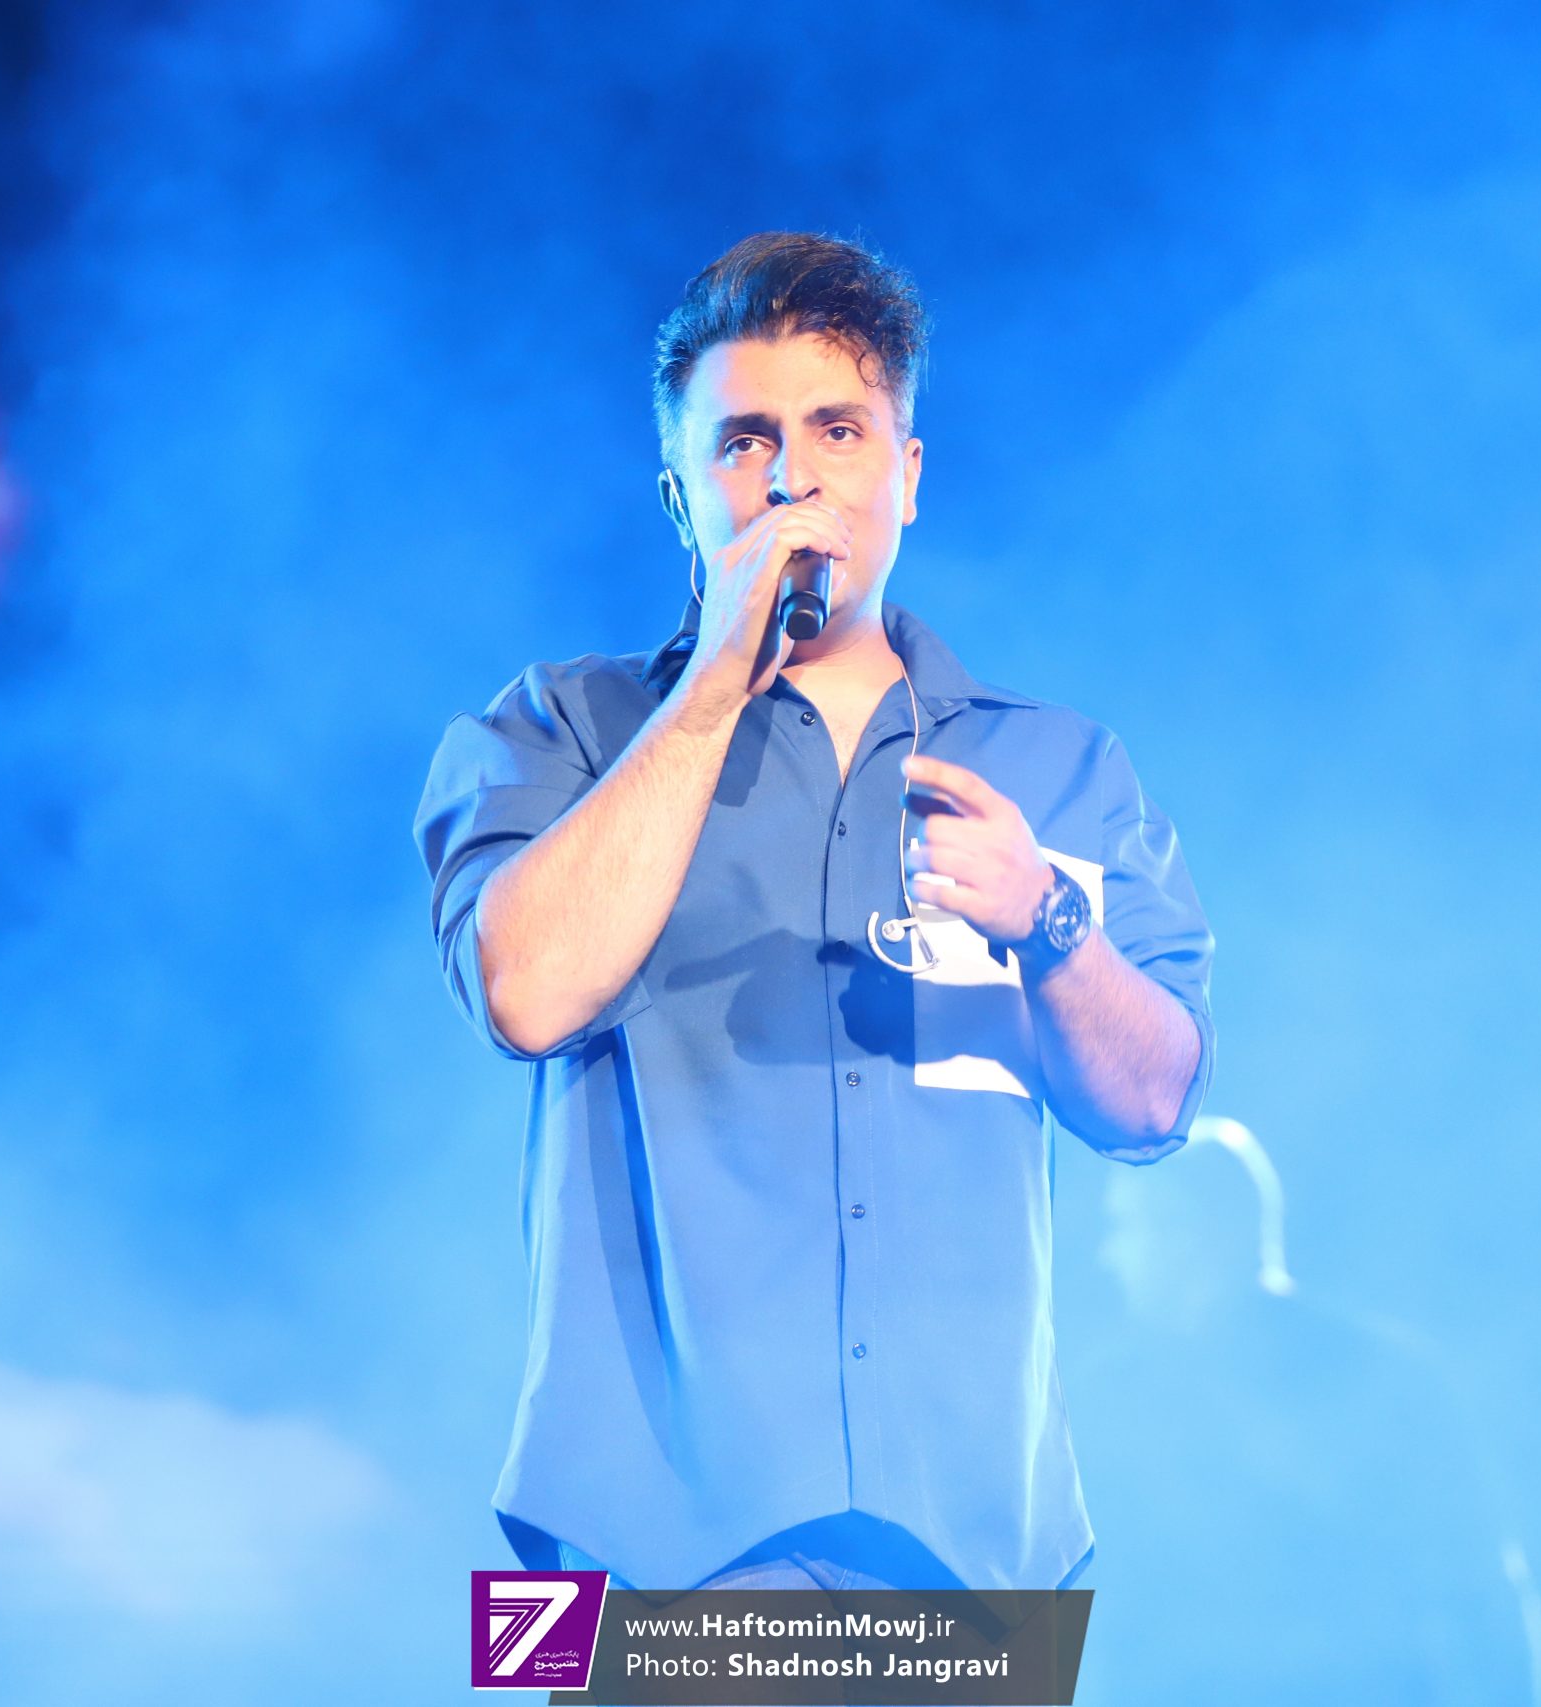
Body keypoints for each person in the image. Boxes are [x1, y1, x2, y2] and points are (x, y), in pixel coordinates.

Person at [413, 231, 1215, 1600]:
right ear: (680, 498)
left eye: (839, 430)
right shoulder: (557, 727)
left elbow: (1154, 1107)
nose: (792, 478)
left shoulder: (1061, 766)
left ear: (908, 473)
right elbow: (525, 993)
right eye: (744, 443)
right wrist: (719, 675)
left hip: (981, 1555)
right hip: (638, 1554)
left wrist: (1048, 926)